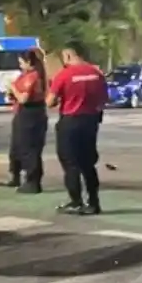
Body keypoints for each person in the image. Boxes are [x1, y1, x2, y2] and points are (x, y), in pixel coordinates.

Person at [47, 41, 108, 215]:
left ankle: (76, 201)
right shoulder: (96, 73)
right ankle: (94, 202)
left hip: (70, 122)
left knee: (70, 163)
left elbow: (50, 101)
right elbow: (104, 99)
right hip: (90, 121)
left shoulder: (64, 75)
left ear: (68, 54)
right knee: (88, 164)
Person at [5, 48, 48, 194]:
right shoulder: (26, 76)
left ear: (29, 62)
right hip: (23, 113)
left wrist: (12, 88)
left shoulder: (33, 77)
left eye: (21, 62)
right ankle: (16, 175)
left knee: (29, 148)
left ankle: (33, 181)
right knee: (17, 146)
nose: (20, 65)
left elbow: (23, 98)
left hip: (31, 114)